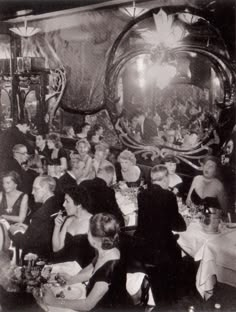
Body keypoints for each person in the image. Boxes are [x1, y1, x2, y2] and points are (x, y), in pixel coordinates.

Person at [41, 213, 127, 311]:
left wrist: (54, 301)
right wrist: (71, 280)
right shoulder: (106, 249)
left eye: (88, 232)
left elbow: (87, 305)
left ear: (95, 240)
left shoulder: (109, 267)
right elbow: (93, 269)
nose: (87, 234)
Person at [135, 165, 186, 305]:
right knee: (180, 251)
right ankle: (174, 292)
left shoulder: (142, 194)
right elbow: (178, 226)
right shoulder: (169, 196)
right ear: (165, 179)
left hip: (143, 243)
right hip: (161, 247)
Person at [9, 176, 60, 260]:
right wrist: (30, 228)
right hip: (50, 252)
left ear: (45, 189)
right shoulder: (58, 203)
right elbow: (44, 232)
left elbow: (26, 243)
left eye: (35, 189)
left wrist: (15, 231)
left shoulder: (41, 213)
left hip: (38, 257)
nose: (32, 192)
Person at [52, 186, 95, 267]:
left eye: (67, 201)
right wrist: (57, 227)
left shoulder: (93, 222)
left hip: (82, 269)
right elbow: (56, 248)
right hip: (65, 266)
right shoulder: (69, 220)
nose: (63, 204)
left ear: (78, 204)